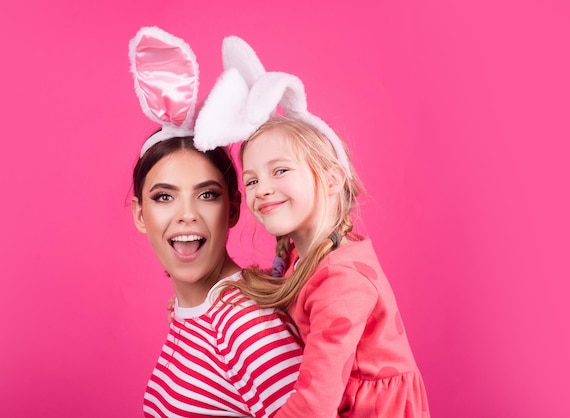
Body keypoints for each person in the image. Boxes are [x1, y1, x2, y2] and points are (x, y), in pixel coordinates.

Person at [193, 36, 430, 417]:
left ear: (333, 179)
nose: (262, 189)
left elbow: (315, 406)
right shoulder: (307, 258)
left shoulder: (342, 281)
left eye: (280, 170)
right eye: (251, 180)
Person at [128, 27, 303, 418]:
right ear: (141, 215)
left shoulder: (245, 322)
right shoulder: (192, 311)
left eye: (207, 194)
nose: (186, 214)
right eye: (164, 197)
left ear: (234, 209)